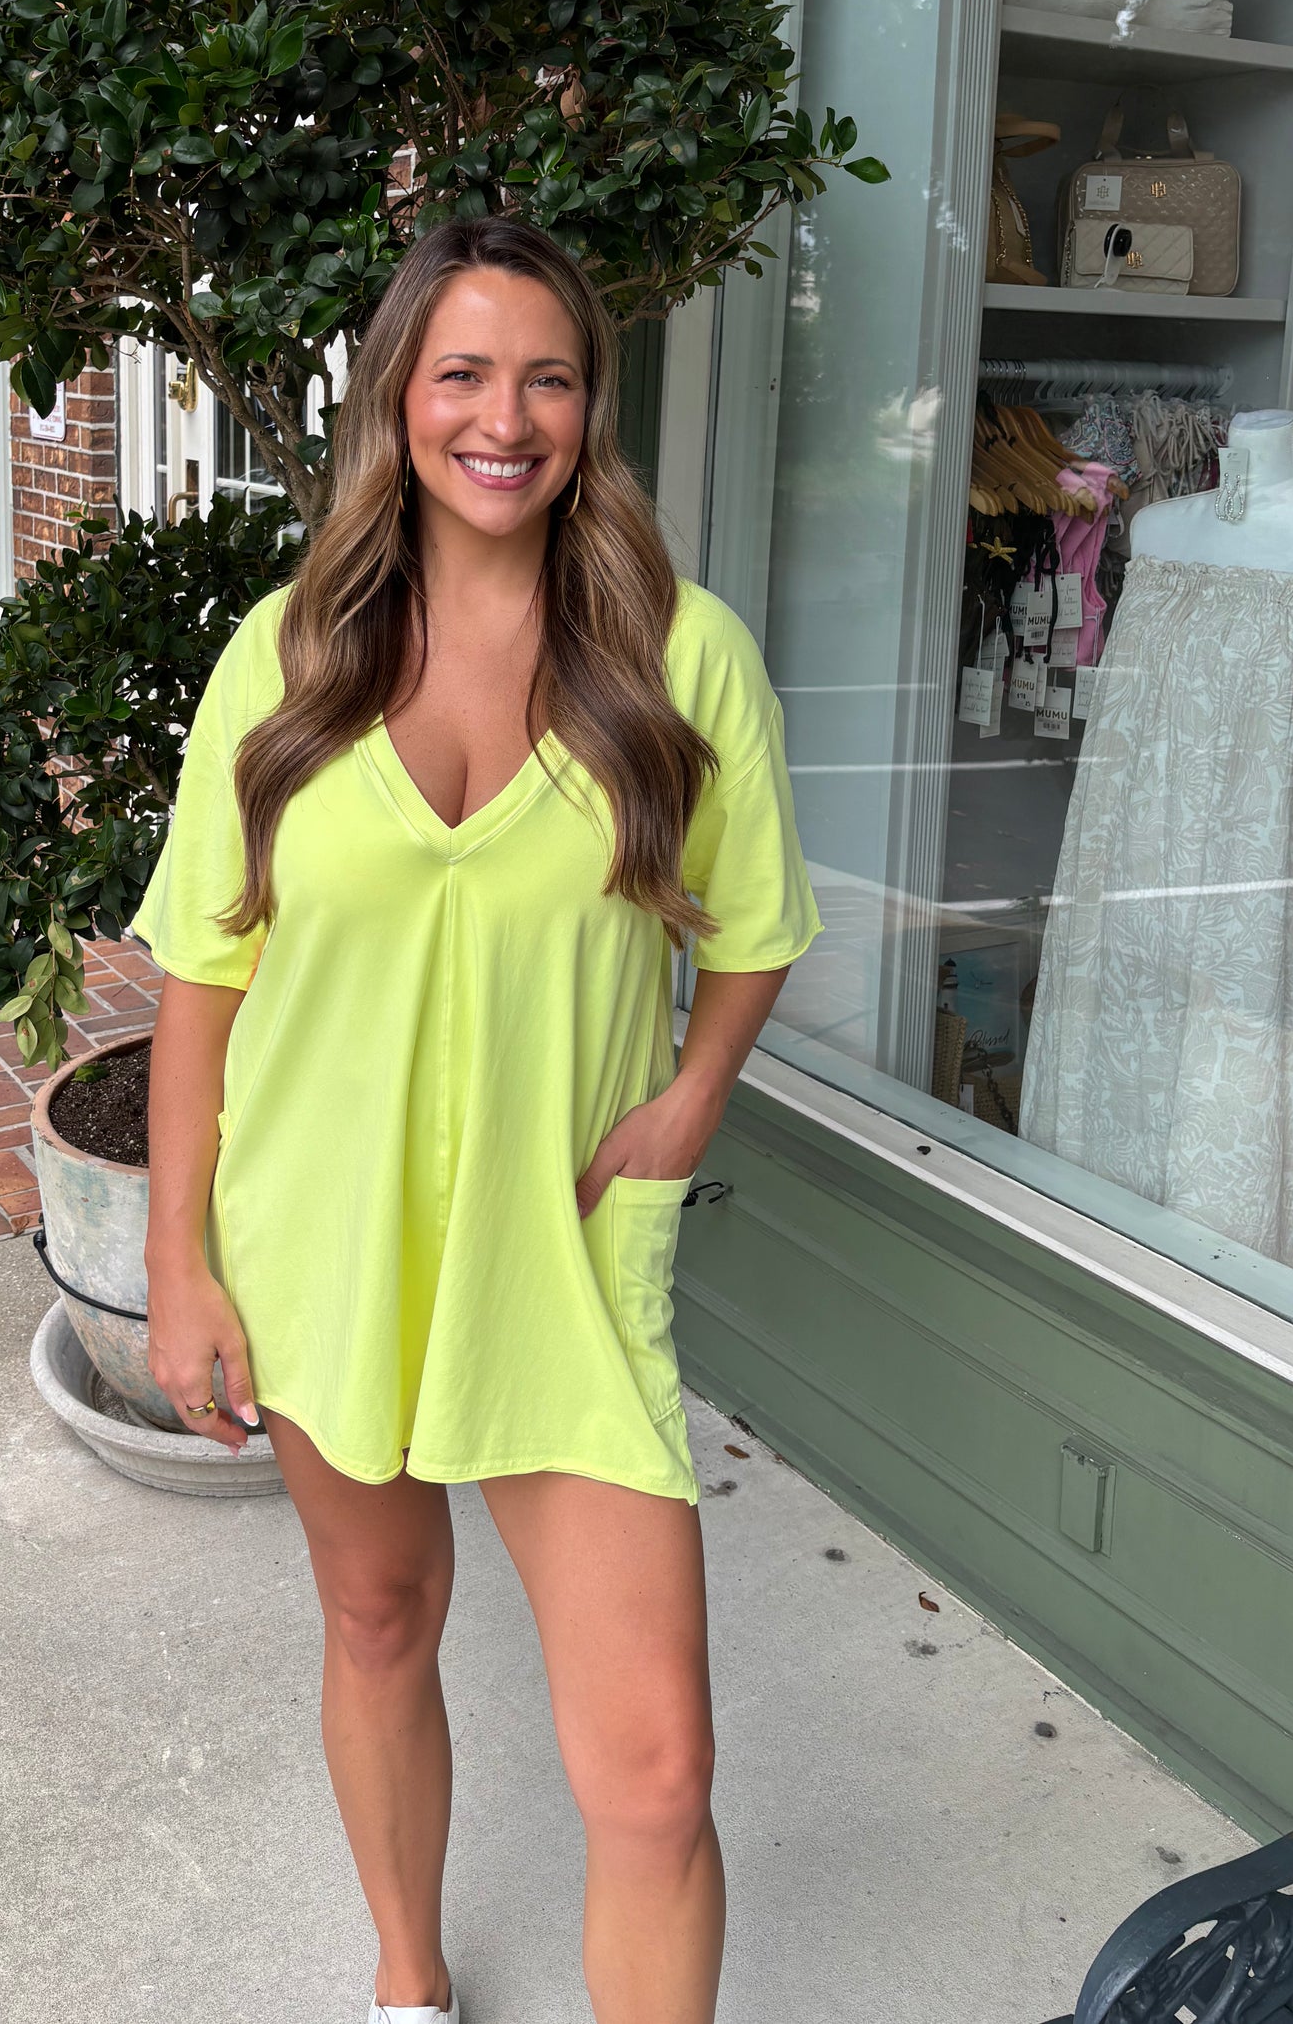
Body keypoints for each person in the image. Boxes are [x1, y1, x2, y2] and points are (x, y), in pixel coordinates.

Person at [134, 216, 817, 2024]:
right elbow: (201, 981)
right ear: (396, 400)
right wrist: (179, 1265)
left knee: (656, 1776)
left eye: (547, 379)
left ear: (590, 410)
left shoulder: (677, 656)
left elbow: (755, 929)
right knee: (378, 1619)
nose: (502, 420)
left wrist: (688, 1099)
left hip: (558, 1255)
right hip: (320, 1242)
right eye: (461, 374)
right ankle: (407, 1977)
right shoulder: (285, 657)